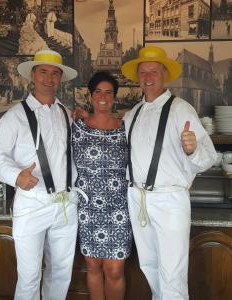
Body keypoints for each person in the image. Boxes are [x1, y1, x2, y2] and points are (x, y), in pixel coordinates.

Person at [120, 45, 217, 299]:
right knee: (149, 266)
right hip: (137, 198)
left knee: (172, 272)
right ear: (138, 77)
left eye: (154, 71)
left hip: (169, 200)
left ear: (164, 75)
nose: (148, 77)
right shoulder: (132, 115)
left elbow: (207, 157)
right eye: (143, 72)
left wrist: (192, 149)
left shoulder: (181, 109)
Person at [0, 49, 79, 300]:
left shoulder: (65, 114)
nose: (49, 78)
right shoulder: (15, 116)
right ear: (33, 76)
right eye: (43, 72)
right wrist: (16, 176)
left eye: (55, 73)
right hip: (32, 204)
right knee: (29, 276)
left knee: (60, 273)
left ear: (61, 79)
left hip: (66, 205)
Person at [72, 71, 132, 300]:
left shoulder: (126, 128)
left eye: (108, 92)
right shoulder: (76, 126)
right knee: (94, 266)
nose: (103, 96)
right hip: (87, 206)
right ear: (91, 95)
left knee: (115, 270)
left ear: (115, 97)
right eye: (98, 91)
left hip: (119, 207)